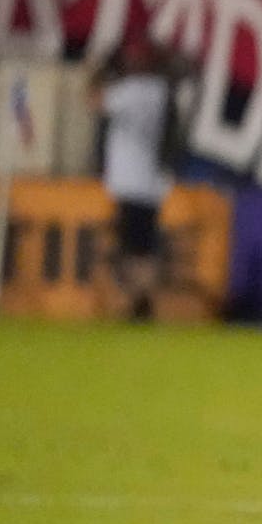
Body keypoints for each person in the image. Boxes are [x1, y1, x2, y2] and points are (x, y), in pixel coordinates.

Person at [92, 33, 178, 321]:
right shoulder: (162, 91)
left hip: (129, 180)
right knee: (144, 245)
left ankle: (138, 302)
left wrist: (99, 70)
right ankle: (142, 300)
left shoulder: (129, 90)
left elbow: (95, 101)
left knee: (130, 248)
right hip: (153, 181)